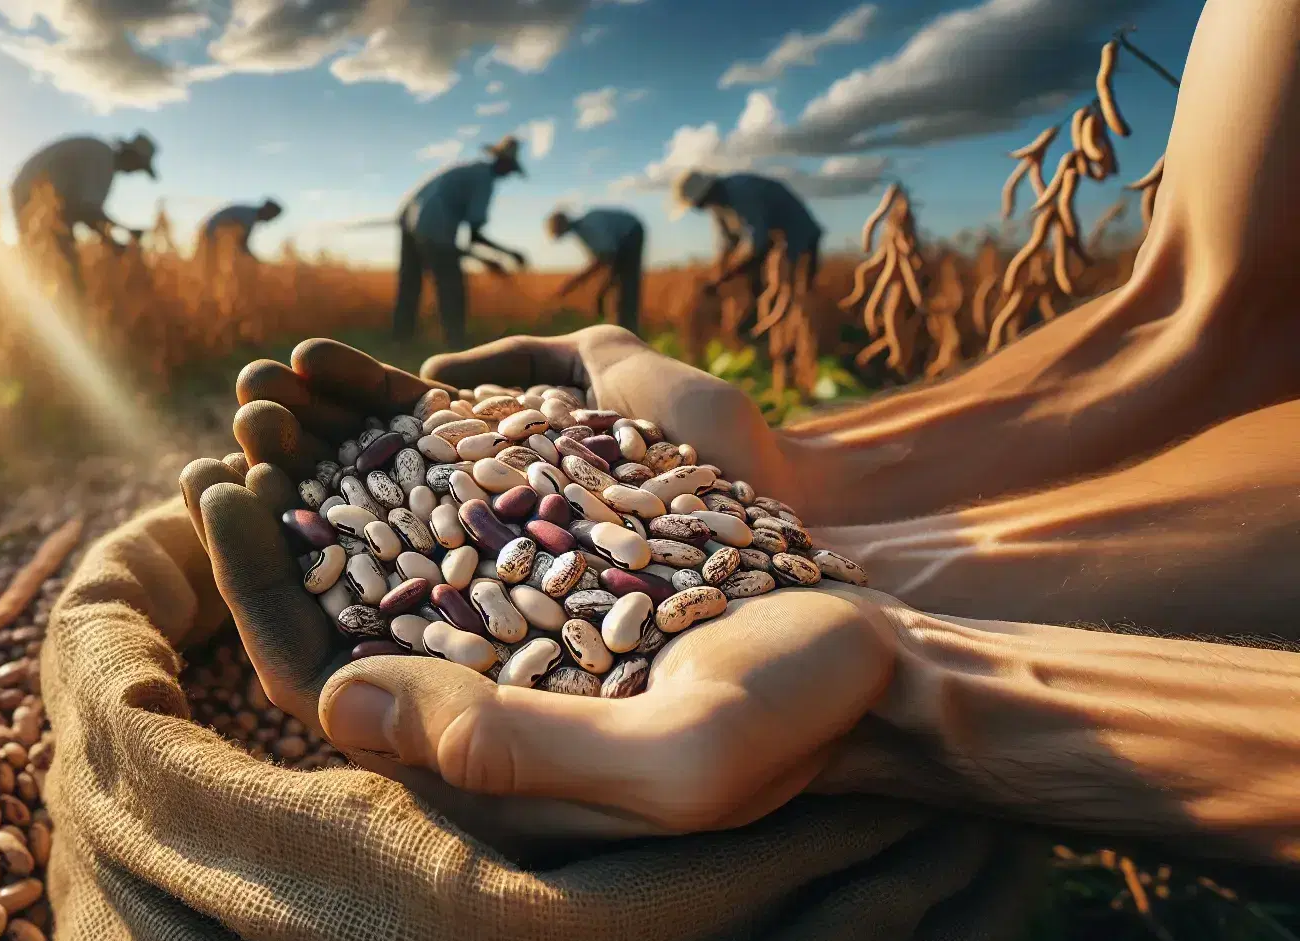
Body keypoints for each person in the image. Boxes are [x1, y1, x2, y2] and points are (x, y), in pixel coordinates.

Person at [181, 0, 1300, 858]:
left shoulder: (669, 203)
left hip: (701, 536)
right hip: (717, 545)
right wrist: (796, 489)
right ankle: (860, 551)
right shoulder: (494, 190)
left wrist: (916, 689)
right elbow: (1216, 313)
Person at [395, 136, 530, 350]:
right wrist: (509, 253)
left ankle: (401, 339)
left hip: (408, 220)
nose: (509, 174)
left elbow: (463, 244)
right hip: (433, 227)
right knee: (451, 287)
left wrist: (486, 259)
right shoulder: (485, 180)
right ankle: (456, 344)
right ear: (503, 163)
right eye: (510, 168)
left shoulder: (467, 169)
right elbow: (474, 236)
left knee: (410, 285)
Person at [669, 169, 822, 317]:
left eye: (696, 204)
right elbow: (726, 244)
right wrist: (718, 274)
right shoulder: (719, 205)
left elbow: (756, 241)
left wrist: (728, 272)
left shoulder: (741, 192)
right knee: (758, 294)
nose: (697, 209)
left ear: (703, 195)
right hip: (772, 244)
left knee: (795, 298)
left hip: (797, 239)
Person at [10, 132, 158, 280]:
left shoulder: (101, 155)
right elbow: (86, 211)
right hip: (34, 195)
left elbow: (82, 210)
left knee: (51, 259)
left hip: (32, 192)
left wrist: (116, 238)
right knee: (64, 265)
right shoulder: (102, 161)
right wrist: (119, 238)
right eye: (139, 166)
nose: (136, 172)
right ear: (132, 157)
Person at [547, 207, 645, 335]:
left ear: (561, 225)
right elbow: (605, 259)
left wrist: (572, 283)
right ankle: (621, 330)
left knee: (626, 291)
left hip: (631, 233)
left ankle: (627, 334)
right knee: (617, 291)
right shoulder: (584, 228)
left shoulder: (587, 227)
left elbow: (605, 257)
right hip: (625, 236)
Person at [196, 198, 283, 267]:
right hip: (211, 235)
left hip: (208, 233)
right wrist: (256, 261)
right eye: (272, 216)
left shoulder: (248, 213)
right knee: (212, 267)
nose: (270, 220)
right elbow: (242, 244)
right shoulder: (249, 217)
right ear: (267, 211)